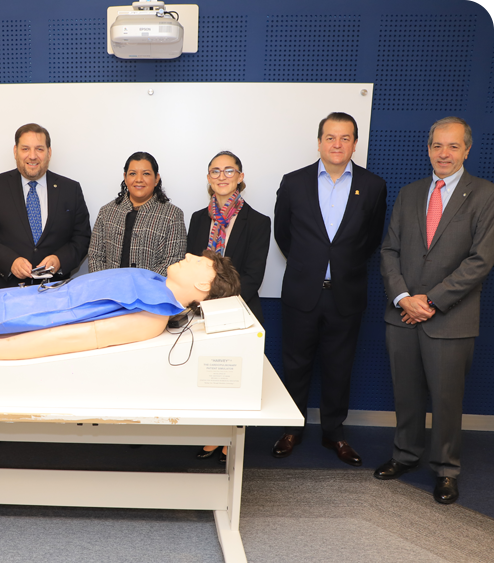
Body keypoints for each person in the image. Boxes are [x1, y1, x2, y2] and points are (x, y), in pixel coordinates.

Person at [375, 116, 494, 505]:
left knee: (447, 399)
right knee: (405, 394)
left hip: (450, 318)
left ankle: (446, 469)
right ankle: (405, 455)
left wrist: (431, 301)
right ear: (428, 149)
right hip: (402, 314)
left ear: (467, 150)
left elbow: (480, 260)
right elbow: (389, 250)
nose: (444, 153)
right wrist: (403, 297)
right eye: (437, 146)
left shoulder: (485, 195)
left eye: (453, 146)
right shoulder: (410, 194)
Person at [273, 112, 387, 466]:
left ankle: (334, 434)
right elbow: (284, 236)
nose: (337, 145)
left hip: (345, 294)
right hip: (302, 292)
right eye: (330, 137)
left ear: (355, 143)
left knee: (339, 367)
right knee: (296, 365)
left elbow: (371, 240)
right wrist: (310, 264)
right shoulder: (293, 183)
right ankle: (292, 428)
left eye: (345, 138)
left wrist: (339, 264)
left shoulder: (373, 186)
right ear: (319, 141)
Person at [0, 251, 239, 360]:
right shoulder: (155, 282)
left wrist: (1, 349)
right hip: (37, 297)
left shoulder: (153, 316)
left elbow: (78, 337)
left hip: (28, 316)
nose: (189, 255)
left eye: (199, 263)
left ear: (203, 287)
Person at [187, 150, 271, 463]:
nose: (222, 177)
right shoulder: (197, 219)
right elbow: (191, 266)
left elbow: (254, 275)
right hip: (201, 313)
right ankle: (211, 434)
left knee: (236, 379)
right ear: (208, 178)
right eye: (215, 171)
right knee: (207, 376)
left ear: (240, 176)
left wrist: (220, 303)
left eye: (229, 171)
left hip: (240, 311)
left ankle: (231, 440)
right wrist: (202, 303)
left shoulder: (259, 222)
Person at [0, 123, 91, 291]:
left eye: (39, 149)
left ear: (49, 153)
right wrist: (10, 261)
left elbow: (82, 237)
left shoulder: (70, 189)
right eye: (25, 149)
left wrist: (59, 260)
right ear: (15, 151)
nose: (32, 156)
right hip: (4, 290)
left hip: (55, 290)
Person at [89, 151, 187, 276]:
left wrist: (142, 285)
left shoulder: (173, 215)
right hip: (110, 289)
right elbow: (95, 256)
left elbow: (173, 261)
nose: (139, 179)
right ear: (125, 177)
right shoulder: (106, 212)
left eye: (146, 174)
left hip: (152, 291)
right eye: (132, 174)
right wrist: (109, 283)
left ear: (156, 178)